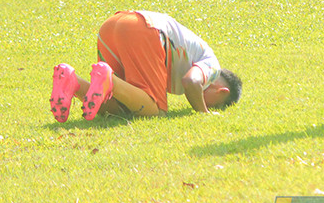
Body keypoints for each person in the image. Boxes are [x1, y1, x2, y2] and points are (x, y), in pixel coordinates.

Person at [49, 10, 242, 121]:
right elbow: (191, 82)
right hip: (144, 30)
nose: (202, 101)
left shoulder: (196, 55)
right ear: (221, 91)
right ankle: (110, 80)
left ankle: (73, 82)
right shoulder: (212, 66)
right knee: (155, 112)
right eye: (212, 102)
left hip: (111, 26)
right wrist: (204, 112)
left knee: (121, 108)